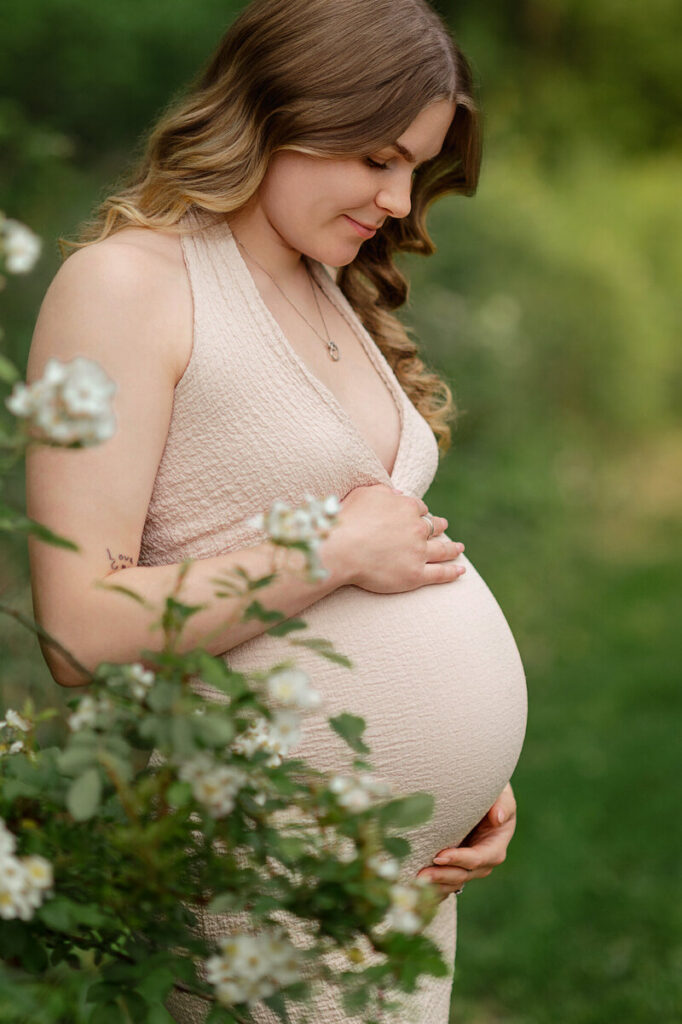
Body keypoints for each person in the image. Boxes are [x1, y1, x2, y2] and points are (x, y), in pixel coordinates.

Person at [24, 0, 527, 1020]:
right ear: (275, 109)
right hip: (258, 878)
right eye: (376, 158)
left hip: (397, 879)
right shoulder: (126, 287)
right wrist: (332, 551)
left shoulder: (326, 280)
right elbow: (77, 628)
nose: (396, 199)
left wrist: (465, 777)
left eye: (413, 169)